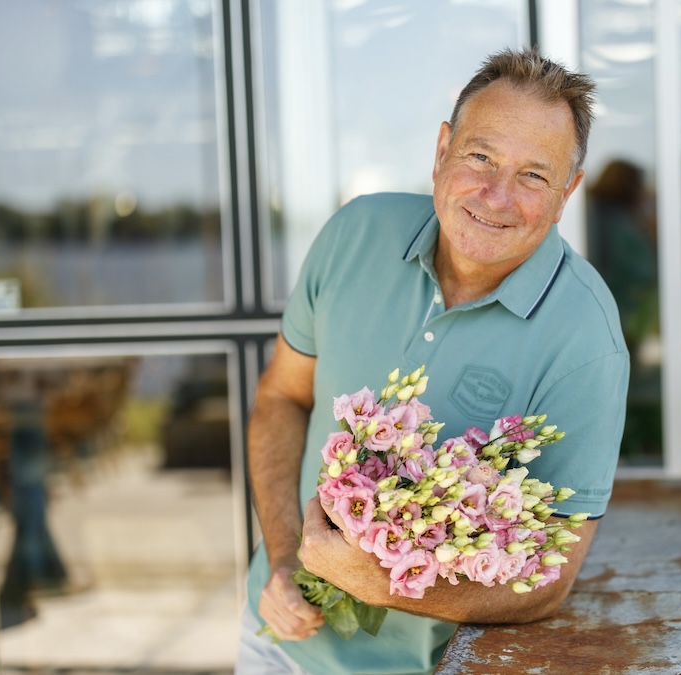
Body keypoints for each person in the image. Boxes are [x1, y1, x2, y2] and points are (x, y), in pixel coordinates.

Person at [237, 48, 630, 675]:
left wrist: (381, 584)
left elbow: (549, 582)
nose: (496, 196)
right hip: (276, 647)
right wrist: (285, 560)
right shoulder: (353, 234)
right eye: (480, 157)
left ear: (567, 194)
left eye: (533, 176)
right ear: (443, 149)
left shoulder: (587, 341)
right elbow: (281, 397)